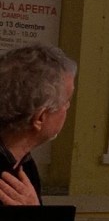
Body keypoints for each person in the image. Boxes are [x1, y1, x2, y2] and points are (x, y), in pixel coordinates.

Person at [0, 43, 77, 206]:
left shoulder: (25, 164)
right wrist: (32, 216)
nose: (68, 108)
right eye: (66, 102)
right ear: (40, 118)